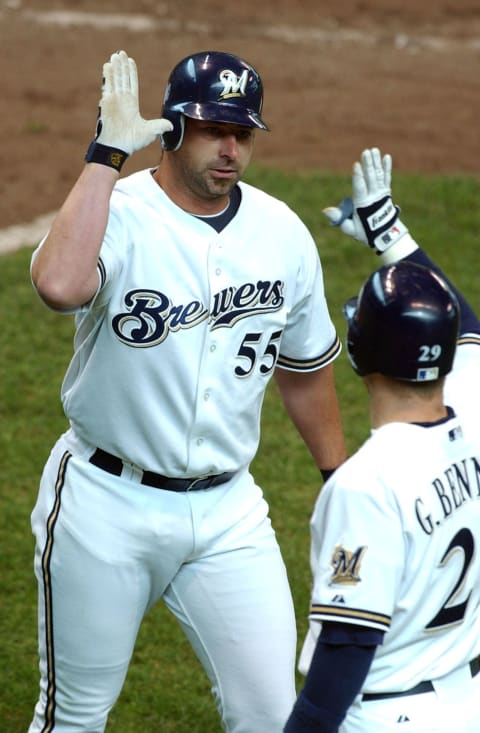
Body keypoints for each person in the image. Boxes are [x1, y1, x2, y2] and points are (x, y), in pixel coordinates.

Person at [28, 49, 346, 732]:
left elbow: (304, 366)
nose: (231, 149)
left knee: (271, 714)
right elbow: (58, 285)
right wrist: (105, 155)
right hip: (105, 504)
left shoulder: (281, 233)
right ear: (171, 128)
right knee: (75, 719)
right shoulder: (120, 211)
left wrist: (336, 475)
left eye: (244, 134)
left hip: (230, 510)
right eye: (213, 130)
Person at [284, 147, 480, 733]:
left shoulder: (366, 485)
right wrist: (390, 233)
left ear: (357, 356)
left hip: (389, 714)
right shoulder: (471, 419)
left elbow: (346, 645)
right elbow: (465, 326)